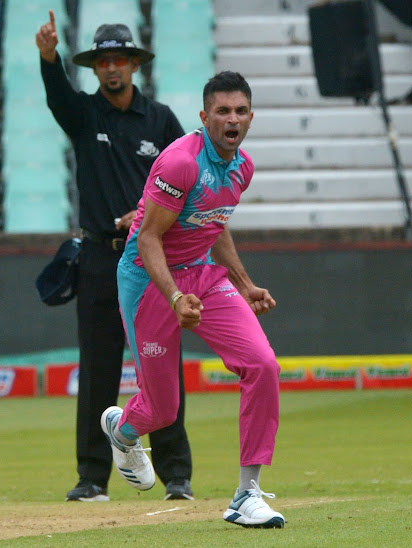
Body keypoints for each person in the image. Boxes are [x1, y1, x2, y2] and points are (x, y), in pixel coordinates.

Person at [102, 71, 286, 528]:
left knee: (262, 365)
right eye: (222, 111)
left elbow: (213, 221)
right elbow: (147, 239)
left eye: (240, 111)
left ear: (250, 118)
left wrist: (243, 283)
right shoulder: (180, 163)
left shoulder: (242, 168)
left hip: (203, 276)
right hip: (149, 282)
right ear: (204, 117)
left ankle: (247, 494)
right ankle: (123, 432)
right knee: (162, 411)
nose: (232, 119)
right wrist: (174, 296)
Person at [35, 12, 194, 502]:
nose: (111, 69)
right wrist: (48, 60)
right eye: (103, 61)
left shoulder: (162, 119)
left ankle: (176, 477)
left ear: (133, 64)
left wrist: (145, 213)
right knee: (98, 369)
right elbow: (59, 100)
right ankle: (91, 478)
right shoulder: (86, 114)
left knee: (161, 368)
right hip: (101, 259)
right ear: (95, 68)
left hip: (152, 260)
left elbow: (188, 183)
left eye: (119, 59)